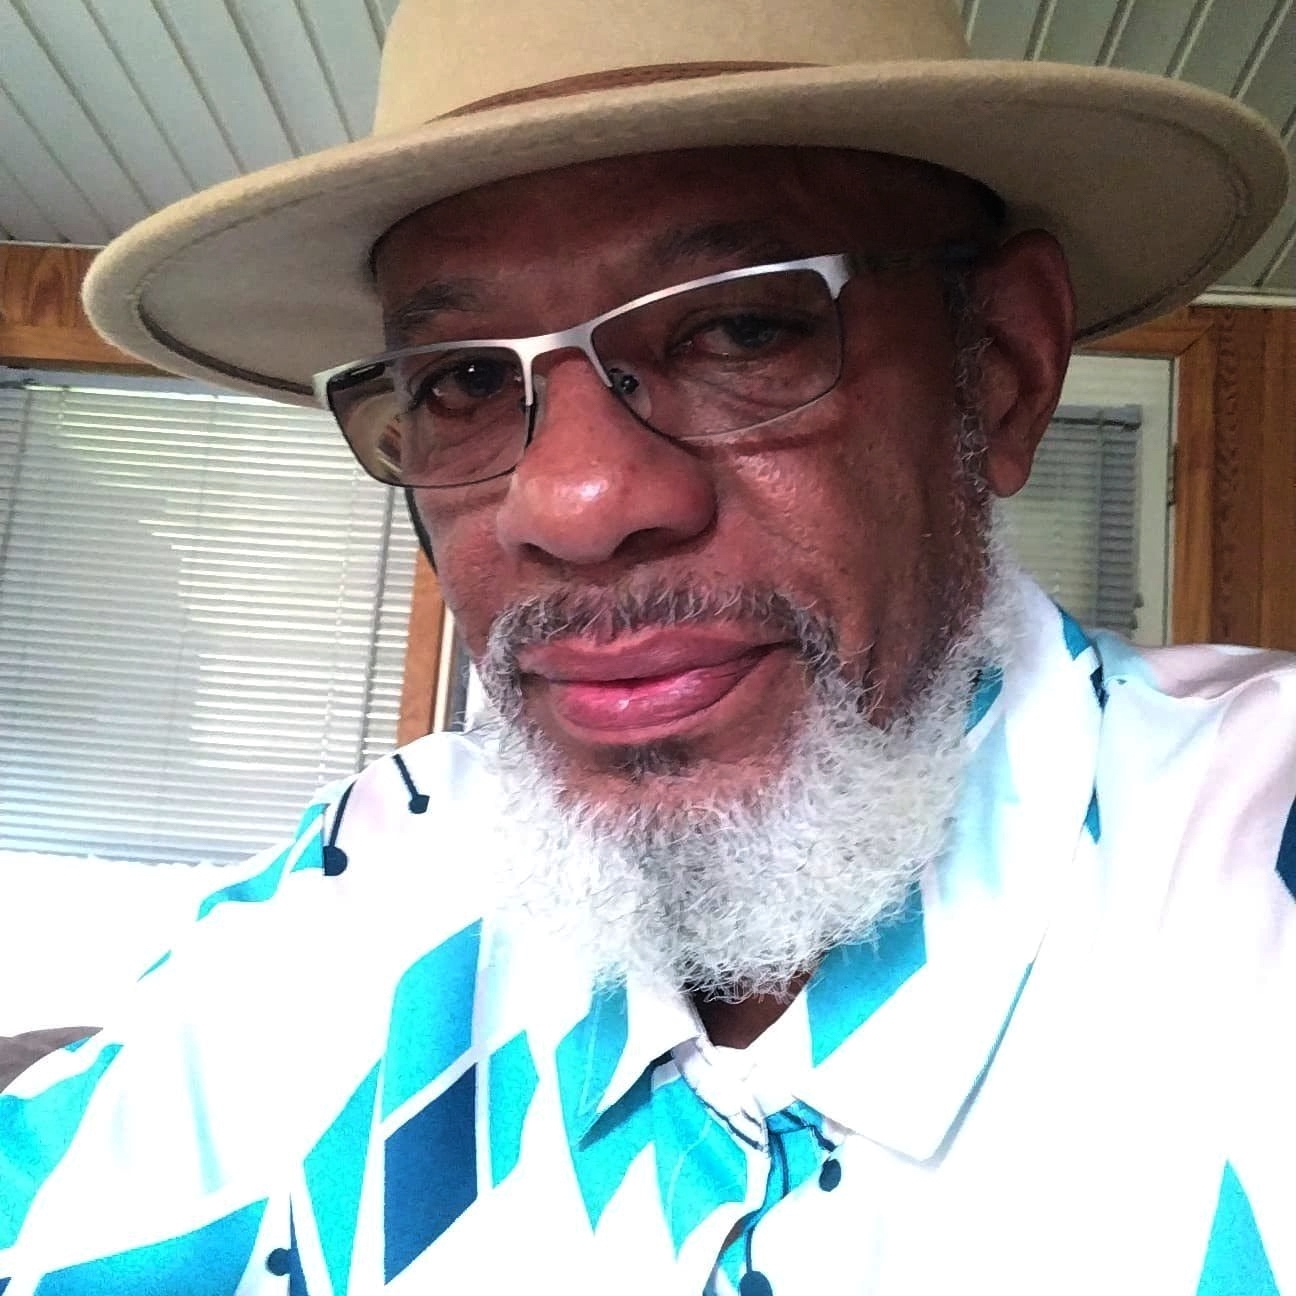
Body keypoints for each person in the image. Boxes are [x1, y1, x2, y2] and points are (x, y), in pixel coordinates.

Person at [1, 0, 1293, 1291]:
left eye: (740, 327)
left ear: (998, 370)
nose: (571, 504)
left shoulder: (1250, 876)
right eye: (461, 382)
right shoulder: (360, 891)